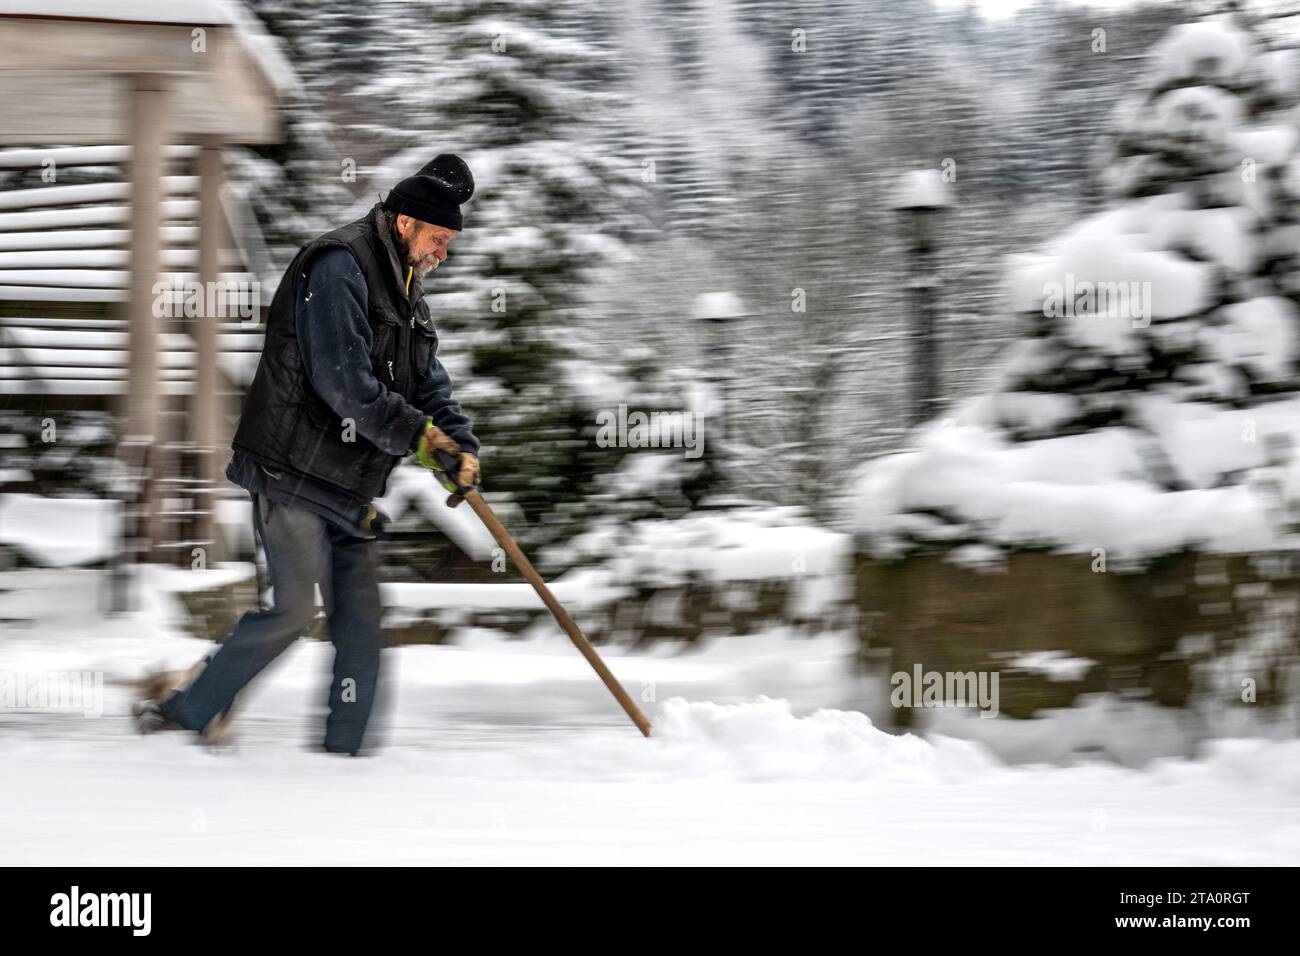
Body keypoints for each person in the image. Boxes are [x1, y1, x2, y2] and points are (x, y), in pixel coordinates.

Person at [138, 154, 482, 755]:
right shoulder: (337, 264)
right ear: (404, 222)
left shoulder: (408, 295)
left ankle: (344, 759)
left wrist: (458, 443)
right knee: (293, 611)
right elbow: (342, 381)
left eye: (448, 241)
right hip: (291, 470)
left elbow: (429, 384)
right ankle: (183, 715)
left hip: (351, 483)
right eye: (438, 238)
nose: (442, 253)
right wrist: (423, 440)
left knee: (361, 627)